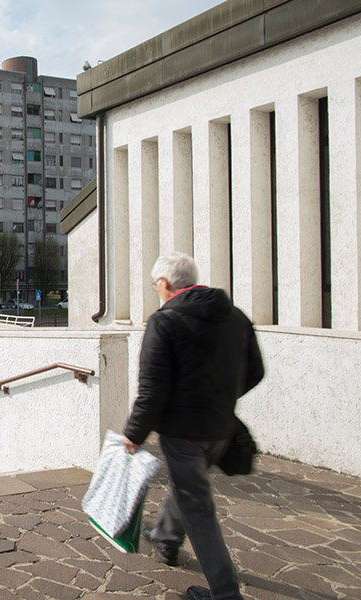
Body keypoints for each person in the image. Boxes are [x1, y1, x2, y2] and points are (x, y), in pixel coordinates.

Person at [122, 252, 264, 600]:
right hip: (222, 428)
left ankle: (226, 592)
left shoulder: (165, 321)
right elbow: (256, 372)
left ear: (164, 284)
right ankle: (166, 539)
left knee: (197, 506)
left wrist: (134, 434)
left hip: (184, 431)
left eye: (155, 284)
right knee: (189, 486)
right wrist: (220, 400)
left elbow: (152, 391)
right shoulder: (235, 317)